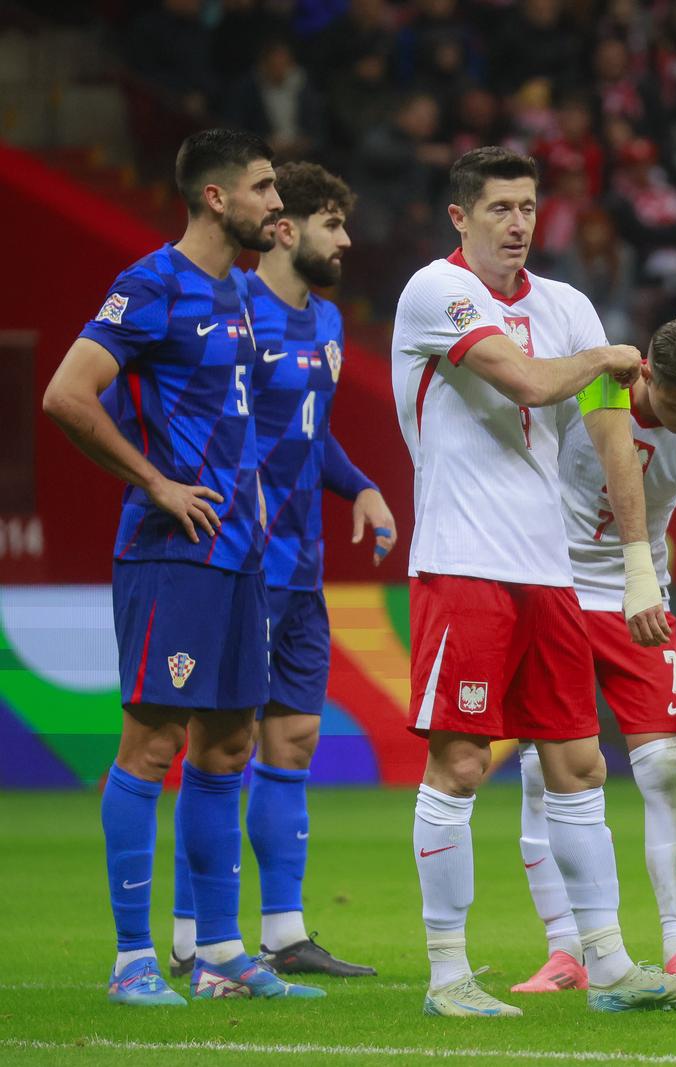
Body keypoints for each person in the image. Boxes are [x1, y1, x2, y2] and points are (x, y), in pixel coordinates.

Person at [390, 146, 676, 1017]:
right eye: (499, 207)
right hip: (463, 562)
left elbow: (614, 432)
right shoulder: (437, 292)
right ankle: (447, 972)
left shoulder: (565, 302)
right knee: (460, 764)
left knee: (579, 766)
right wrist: (608, 356)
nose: (518, 223)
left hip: (554, 576)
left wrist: (643, 566)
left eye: (529, 206)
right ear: (460, 217)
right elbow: (533, 383)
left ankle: (608, 965)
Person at [42, 128, 321, 1002]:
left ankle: (223, 955)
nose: (278, 203)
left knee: (229, 743)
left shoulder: (240, 291)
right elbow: (65, 393)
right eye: (266, 188)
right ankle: (132, 960)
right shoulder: (149, 285)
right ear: (216, 197)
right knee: (153, 742)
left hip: (243, 554)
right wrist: (157, 481)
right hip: (175, 554)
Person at [169, 162, 395, 980]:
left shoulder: (329, 322)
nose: (346, 240)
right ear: (289, 228)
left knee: (294, 735)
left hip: (304, 565)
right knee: (218, 743)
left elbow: (312, 433)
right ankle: (196, 929)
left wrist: (361, 487)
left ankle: (285, 930)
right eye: (334, 224)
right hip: (236, 562)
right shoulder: (235, 313)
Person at [515, 313, 676, 994]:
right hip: (555, 592)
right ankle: (566, 951)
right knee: (542, 774)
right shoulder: (587, 394)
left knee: (665, 769)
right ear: (646, 370)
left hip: (639, 605)